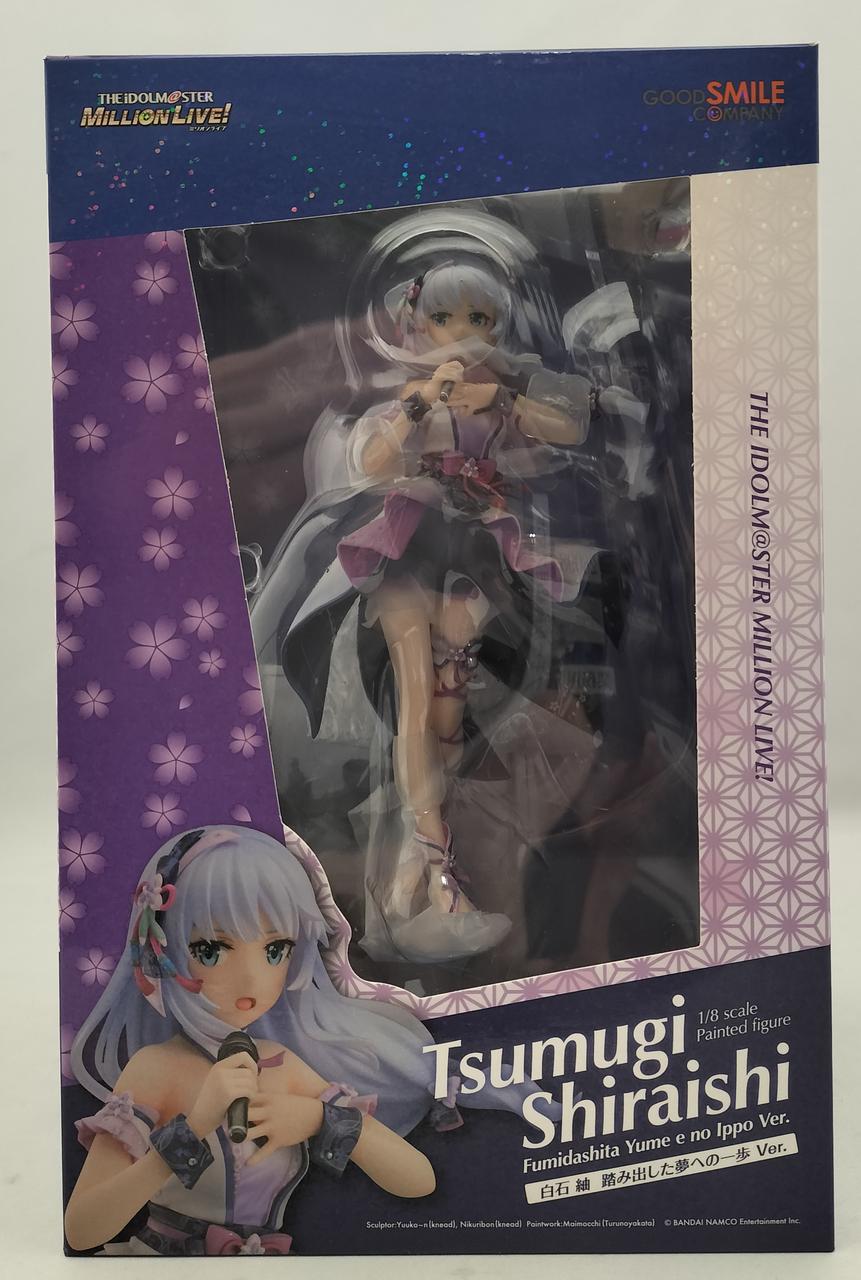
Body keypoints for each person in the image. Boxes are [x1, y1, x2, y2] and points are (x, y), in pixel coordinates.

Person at [253, 233, 612, 967]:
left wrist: (502, 394)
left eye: (481, 319)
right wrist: (421, 402)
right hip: (407, 543)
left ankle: (412, 875)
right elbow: (368, 462)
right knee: (418, 697)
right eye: (448, 318)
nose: (464, 333)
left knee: (449, 708)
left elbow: (571, 426)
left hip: (474, 547)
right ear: (418, 322)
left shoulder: (500, 389)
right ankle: (436, 874)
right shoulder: (408, 390)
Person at [65, 825, 469, 1256]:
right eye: (211, 951)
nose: (252, 981)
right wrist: (194, 1127)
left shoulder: (281, 1065)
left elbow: (418, 1179)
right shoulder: (157, 1069)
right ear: (163, 951)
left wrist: (319, 1118)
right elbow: (82, 1230)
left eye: (275, 951)